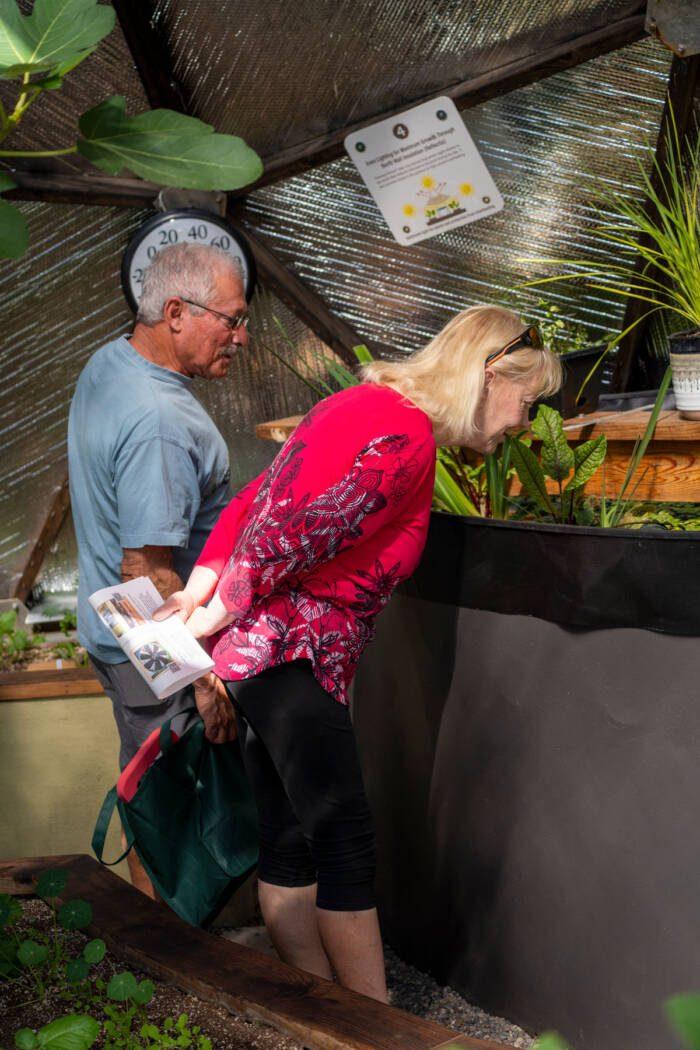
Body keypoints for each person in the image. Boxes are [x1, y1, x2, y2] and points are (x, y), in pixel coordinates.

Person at [154, 303, 562, 1000]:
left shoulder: (357, 402)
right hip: (294, 662)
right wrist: (215, 607)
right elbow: (295, 530)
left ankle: (324, 1011)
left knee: (288, 838)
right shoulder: (407, 438)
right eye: (526, 404)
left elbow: (255, 500)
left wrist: (202, 589)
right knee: (344, 842)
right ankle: (376, 1024)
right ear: (490, 375)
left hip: (254, 664)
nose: (523, 424)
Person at [67, 242, 249, 897]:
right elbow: (145, 567)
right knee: (168, 811)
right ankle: (165, 954)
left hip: (112, 633)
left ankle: (157, 945)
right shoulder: (162, 423)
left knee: (146, 785)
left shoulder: (110, 362)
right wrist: (200, 681)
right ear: (176, 312)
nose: (243, 335)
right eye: (230, 319)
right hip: (151, 652)